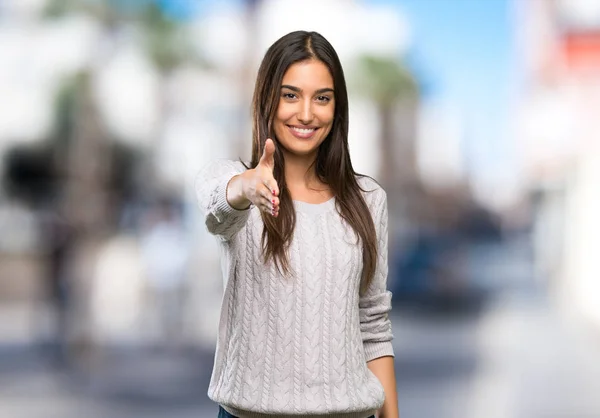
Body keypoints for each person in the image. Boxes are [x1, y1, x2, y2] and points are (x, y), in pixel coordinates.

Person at [195, 30, 398, 418]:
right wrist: (245, 188)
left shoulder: (368, 200)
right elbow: (217, 211)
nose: (306, 113)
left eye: (322, 98)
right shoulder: (230, 180)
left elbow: (373, 323)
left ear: (337, 108)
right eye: (290, 95)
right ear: (267, 99)